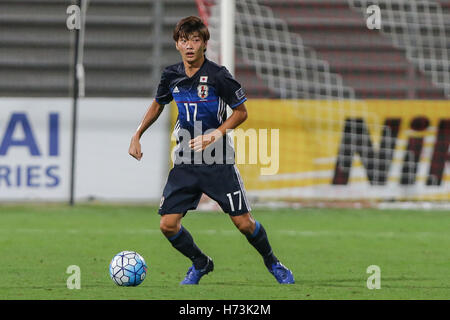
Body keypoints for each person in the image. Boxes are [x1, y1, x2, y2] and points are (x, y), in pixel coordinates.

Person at [128, 16, 294, 285]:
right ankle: (200, 263)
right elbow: (158, 104)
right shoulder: (171, 75)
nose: (190, 46)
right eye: (184, 40)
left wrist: (215, 134)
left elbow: (241, 113)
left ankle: (273, 262)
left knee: (244, 224)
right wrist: (137, 134)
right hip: (185, 160)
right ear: (177, 44)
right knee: (167, 225)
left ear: (205, 43)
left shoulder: (218, 75)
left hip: (218, 159)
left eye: (195, 40)